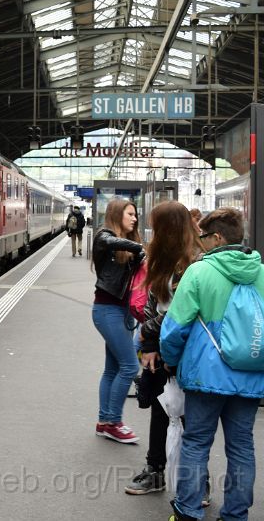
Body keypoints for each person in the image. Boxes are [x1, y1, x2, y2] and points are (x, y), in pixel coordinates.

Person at [161, 207, 264, 521]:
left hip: (206, 376)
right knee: (242, 445)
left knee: (196, 442)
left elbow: (175, 328)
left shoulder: (199, 271)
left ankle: (189, 511)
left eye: (203, 236)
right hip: (250, 375)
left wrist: (171, 361)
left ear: (217, 238)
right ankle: (235, 515)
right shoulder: (260, 271)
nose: (200, 242)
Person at [124, 201, 201, 495]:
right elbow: (154, 303)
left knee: (191, 417)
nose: (152, 231)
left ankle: (198, 480)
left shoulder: (196, 262)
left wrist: (147, 333)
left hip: (188, 348)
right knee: (161, 407)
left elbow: (181, 311)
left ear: (169, 228)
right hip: (162, 345)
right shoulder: (160, 258)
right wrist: (152, 345)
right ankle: (155, 470)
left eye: (157, 226)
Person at [91, 198, 144, 444]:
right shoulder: (104, 236)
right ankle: (114, 422)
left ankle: (104, 422)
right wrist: (136, 248)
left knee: (113, 369)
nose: (135, 218)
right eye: (130, 214)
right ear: (117, 214)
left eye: (135, 214)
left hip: (121, 311)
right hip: (107, 310)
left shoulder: (128, 245)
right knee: (130, 367)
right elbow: (110, 241)